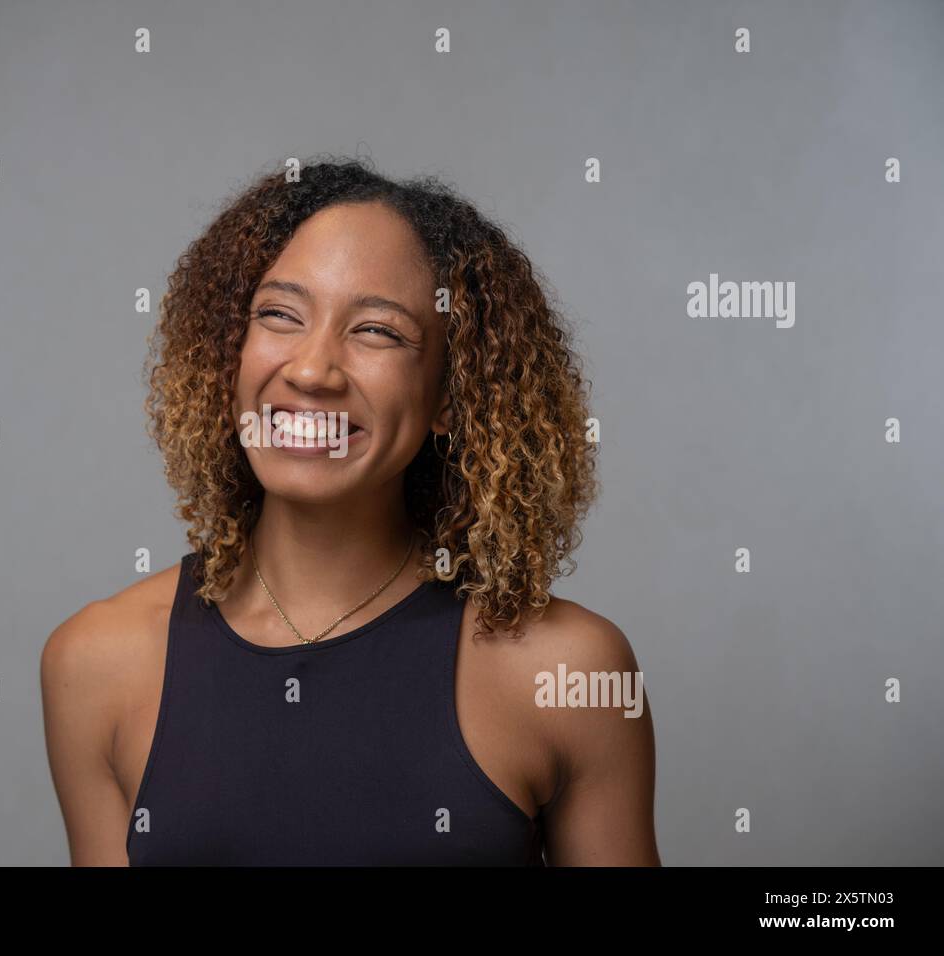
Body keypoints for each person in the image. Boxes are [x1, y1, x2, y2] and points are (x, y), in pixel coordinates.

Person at [41, 157, 660, 865]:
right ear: (225, 353)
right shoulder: (96, 661)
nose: (311, 370)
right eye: (279, 315)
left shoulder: (567, 673)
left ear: (452, 398)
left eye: (377, 331)